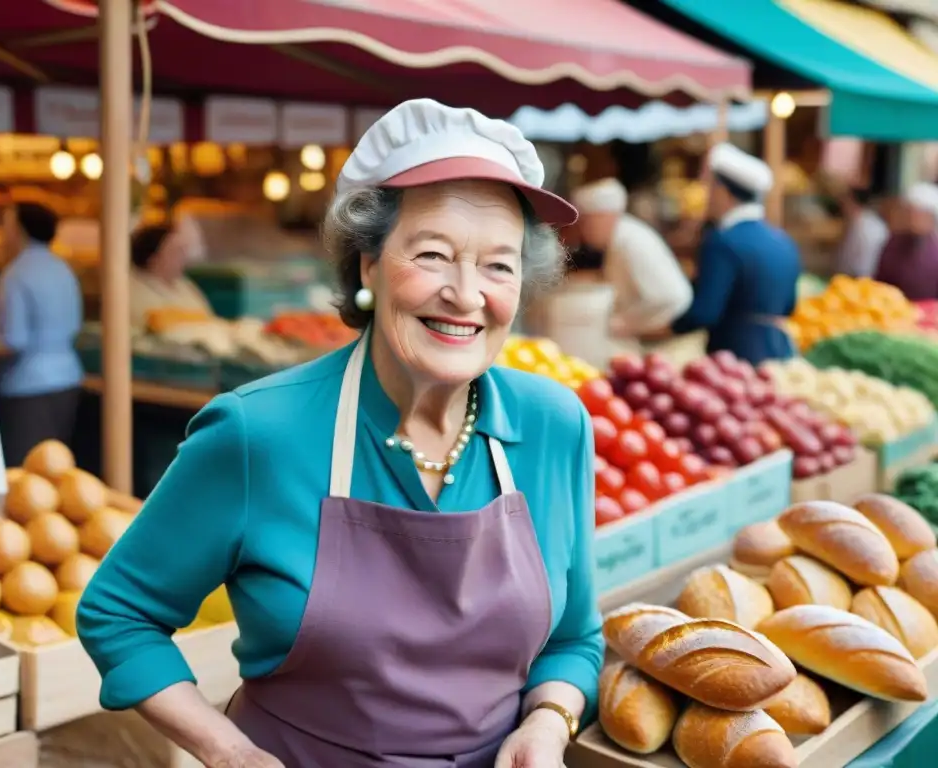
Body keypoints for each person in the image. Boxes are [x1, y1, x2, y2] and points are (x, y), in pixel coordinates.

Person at [77, 99, 604, 768]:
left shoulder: (556, 424)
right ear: (367, 264)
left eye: (498, 265)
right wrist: (228, 751)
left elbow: (574, 636)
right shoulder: (256, 432)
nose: (467, 294)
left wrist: (548, 723)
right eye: (434, 255)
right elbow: (120, 613)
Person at [670, 143, 801, 365]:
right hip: (781, 354)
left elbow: (704, 312)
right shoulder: (784, 241)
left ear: (722, 192)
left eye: (710, 188)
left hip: (734, 359)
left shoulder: (722, 242)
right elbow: (789, 306)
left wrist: (664, 328)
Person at [0, 203, 84, 465]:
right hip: (67, 377)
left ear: (18, 231)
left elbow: (13, 340)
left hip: (27, 385)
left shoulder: (15, 274)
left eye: (5, 226)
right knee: (57, 466)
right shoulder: (63, 268)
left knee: (26, 472)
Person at [572, 178, 692, 352]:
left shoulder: (631, 241)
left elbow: (667, 297)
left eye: (586, 223)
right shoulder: (618, 238)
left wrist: (623, 324)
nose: (584, 232)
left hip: (671, 345)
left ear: (606, 216)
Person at [129, 218, 212, 328]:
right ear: (153, 259)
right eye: (175, 251)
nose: (183, 257)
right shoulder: (134, 292)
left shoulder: (185, 286)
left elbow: (208, 318)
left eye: (182, 251)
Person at [873, 183, 938, 299]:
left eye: (919, 215)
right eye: (910, 213)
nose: (913, 220)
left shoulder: (935, 251)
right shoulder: (892, 245)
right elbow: (879, 284)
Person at [834, 187, 888, 278]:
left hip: (861, 280)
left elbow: (853, 264)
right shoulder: (869, 222)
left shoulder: (864, 227)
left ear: (851, 201)